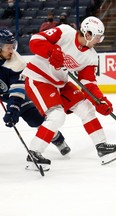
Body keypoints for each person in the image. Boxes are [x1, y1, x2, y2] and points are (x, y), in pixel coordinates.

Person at [22, 16, 116, 170]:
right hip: (38, 78)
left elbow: (88, 83)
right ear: (88, 34)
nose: (99, 41)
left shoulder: (91, 56)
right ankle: (34, 153)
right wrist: (51, 51)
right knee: (57, 116)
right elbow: (35, 40)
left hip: (60, 83)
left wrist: (100, 100)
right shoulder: (65, 32)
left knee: (87, 108)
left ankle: (102, 146)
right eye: (98, 37)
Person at [0, 29, 71, 164]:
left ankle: (58, 139)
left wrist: (13, 109)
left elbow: (17, 91)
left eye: (12, 46)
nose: (11, 50)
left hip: (18, 93)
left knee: (34, 119)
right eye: (8, 47)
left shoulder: (17, 63)